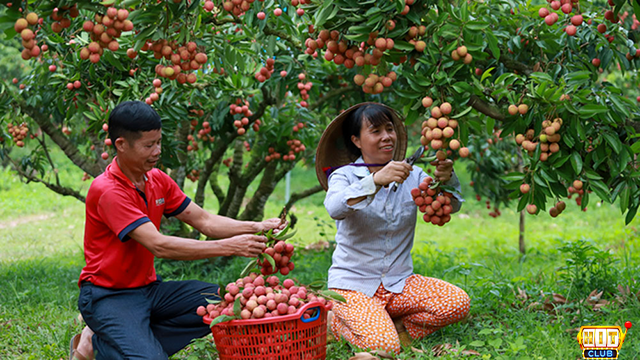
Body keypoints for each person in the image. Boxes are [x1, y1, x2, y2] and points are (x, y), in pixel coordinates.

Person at [70, 101, 283, 360]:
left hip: (148, 289)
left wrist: (257, 226)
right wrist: (232, 246)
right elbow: (159, 245)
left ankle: (108, 340)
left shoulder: (156, 179)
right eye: (149, 145)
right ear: (121, 145)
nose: (157, 151)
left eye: (159, 142)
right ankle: (104, 342)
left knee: (227, 300)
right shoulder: (108, 190)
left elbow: (205, 221)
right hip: (109, 295)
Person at [315, 102, 470, 354]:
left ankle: (393, 326)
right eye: (376, 131)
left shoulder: (414, 174)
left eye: (389, 129)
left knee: (456, 303)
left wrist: (446, 180)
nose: (386, 137)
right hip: (353, 286)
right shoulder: (343, 176)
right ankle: (336, 321)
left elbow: (450, 207)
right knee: (382, 346)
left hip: (398, 284)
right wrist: (375, 180)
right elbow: (335, 207)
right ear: (357, 140)